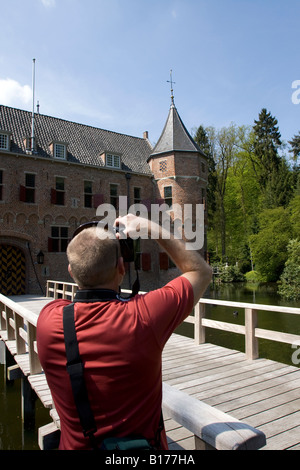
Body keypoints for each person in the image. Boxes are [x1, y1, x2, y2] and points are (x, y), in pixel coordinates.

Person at [36, 214, 212, 450]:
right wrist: (151, 228)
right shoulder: (145, 315)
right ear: (121, 267)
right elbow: (200, 271)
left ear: (70, 270)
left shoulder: (49, 320)